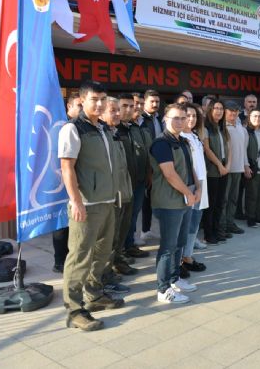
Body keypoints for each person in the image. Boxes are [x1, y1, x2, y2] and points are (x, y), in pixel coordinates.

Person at [59, 81, 124, 331]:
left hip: (108, 202)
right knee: (79, 258)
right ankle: (74, 310)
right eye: (94, 99)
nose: (99, 104)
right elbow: (67, 167)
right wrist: (76, 201)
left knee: (102, 253)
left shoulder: (104, 129)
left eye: (103, 99)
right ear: (83, 100)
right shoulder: (73, 129)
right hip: (86, 205)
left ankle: (94, 295)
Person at [149, 103, 201, 304]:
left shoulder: (184, 141)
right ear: (165, 119)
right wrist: (189, 192)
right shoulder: (162, 143)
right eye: (175, 118)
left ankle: (174, 278)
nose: (180, 121)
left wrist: (196, 188)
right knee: (168, 246)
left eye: (183, 118)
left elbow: (191, 168)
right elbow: (169, 174)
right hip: (169, 201)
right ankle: (163, 290)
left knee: (179, 243)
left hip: (185, 198)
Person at [104, 97, 137, 279]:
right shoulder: (102, 135)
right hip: (111, 196)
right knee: (110, 236)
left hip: (125, 192)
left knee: (120, 233)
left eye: (119, 110)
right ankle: (106, 274)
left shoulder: (115, 132)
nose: (118, 114)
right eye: (113, 110)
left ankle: (116, 261)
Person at [52, 93, 83, 273]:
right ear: (69, 107)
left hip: (78, 182)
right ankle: (59, 260)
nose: (80, 109)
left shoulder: (82, 127)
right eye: (78, 105)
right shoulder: (65, 127)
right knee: (62, 223)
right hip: (61, 181)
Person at [181, 103, 209, 274]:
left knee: (194, 224)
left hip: (201, 184)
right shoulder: (179, 138)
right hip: (189, 186)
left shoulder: (196, 137)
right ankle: (181, 259)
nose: (191, 119)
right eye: (187, 115)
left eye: (194, 116)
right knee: (185, 224)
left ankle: (188, 255)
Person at [124, 94, 151, 254]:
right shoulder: (122, 126)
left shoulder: (143, 126)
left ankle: (130, 244)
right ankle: (124, 248)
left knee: (134, 214)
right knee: (125, 217)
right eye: (135, 104)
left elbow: (146, 152)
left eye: (141, 104)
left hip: (141, 179)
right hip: (126, 181)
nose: (138, 107)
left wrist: (149, 173)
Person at [202, 100, 230, 244]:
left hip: (224, 169)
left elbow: (229, 148)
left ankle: (218, 230)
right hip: (213, 170)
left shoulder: (223, 128)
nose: (219, 111)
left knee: (220, 202)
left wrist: (228, 165)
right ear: (210, 110)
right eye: (216, 108)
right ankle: (209, 233)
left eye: (221, 108)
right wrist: (220, 165)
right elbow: (207, 150)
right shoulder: (206, 128)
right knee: (211, 204)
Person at [139, 89, 163, 242]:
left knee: (157, 198)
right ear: (145, 102)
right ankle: (144, 230)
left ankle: (148, 230)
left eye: (157, 102)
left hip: (160, 164)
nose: (155, 104)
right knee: (145, 200)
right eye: (152, 101)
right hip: (147, 164)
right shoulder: (141, 120)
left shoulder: (159, 119)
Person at [221, 100, 247, 236]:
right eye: (231, 111)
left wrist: (246, 164)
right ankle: (222, 225)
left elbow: (244, 148)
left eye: (236, 111)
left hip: (238, 168)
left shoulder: (240, 127)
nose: (234, 113)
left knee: (233, 198)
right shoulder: (222, 127)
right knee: (224, 199)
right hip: (226, 169)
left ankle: (230, 223)